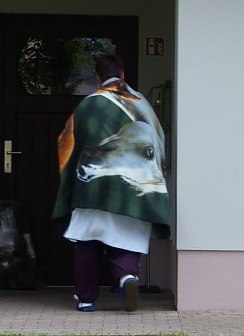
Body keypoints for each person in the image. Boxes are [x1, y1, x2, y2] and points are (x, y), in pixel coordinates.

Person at [52, 53, 171, 312]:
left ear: (97, 78)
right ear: (123, 74)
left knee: (88, 241)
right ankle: (127, 276)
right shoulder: (143, 104)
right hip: (134, 188)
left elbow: (66, 143)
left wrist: (71, 180)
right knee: (125, 237)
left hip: (94, 187)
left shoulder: (89, 104)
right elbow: (159, 143)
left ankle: (85, 298)